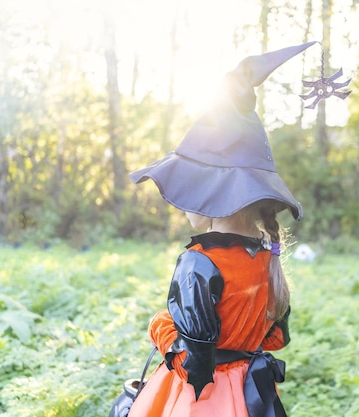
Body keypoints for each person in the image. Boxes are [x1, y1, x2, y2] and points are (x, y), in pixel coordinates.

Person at [124, 41, 317, 417]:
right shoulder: (267, 257)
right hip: (248, 394)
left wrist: (160, 326)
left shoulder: (198, 263)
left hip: (201, 401)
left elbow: (192, 363)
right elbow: (276, 338)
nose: (183, 207)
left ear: (212, 196)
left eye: (189, 194)